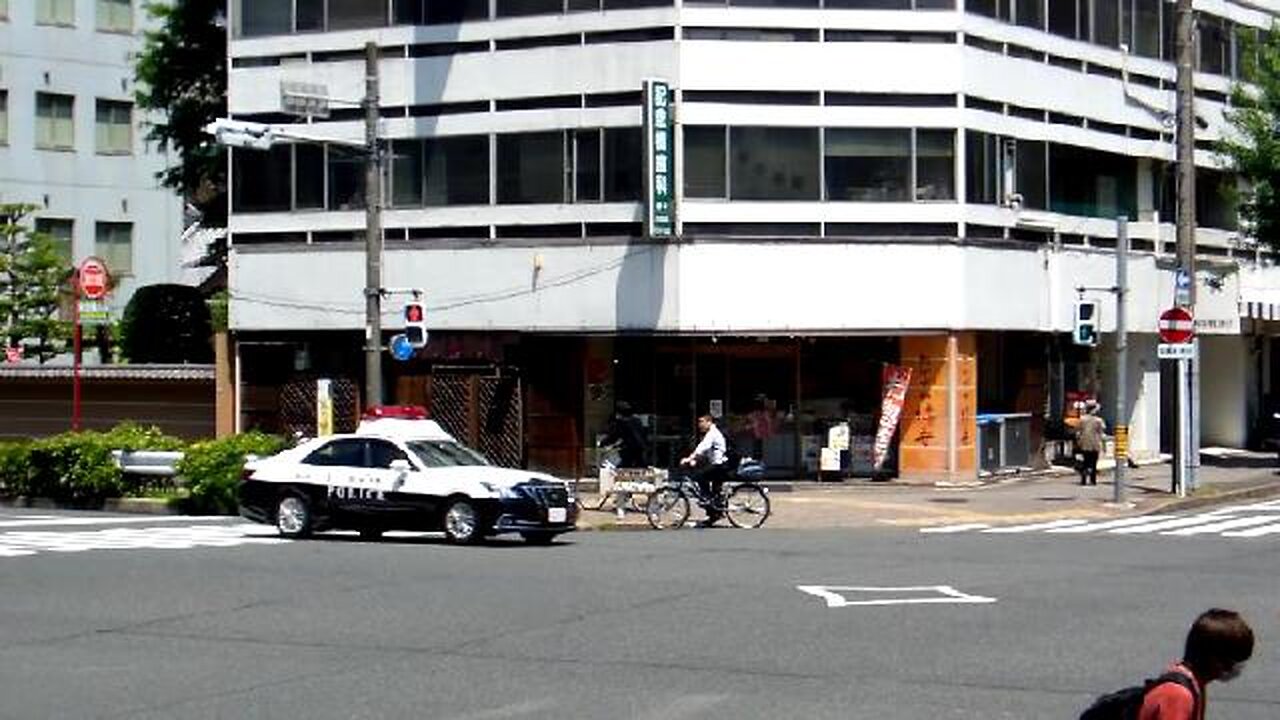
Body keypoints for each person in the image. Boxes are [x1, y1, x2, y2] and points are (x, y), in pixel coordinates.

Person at [1138, 608, 1254, 720]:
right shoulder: (1178, 696)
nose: (1236, 668)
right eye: (1235, 661)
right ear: (1216, 660)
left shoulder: (1193, 683)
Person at [681, 414, 728, 526]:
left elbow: (703, 447)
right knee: (714, 492)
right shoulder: (712, 433)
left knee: (699, 476)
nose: (699, 425)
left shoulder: (712, 433)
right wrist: (695, 460)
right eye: (698, 422)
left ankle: (710, 503)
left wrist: (690, 458)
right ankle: (714, 513)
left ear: (709, 422)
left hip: (719, 465)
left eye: (701, 422)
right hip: (718, 465)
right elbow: (706, 452)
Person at [599, 401, 646, 468]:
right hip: (640, 448)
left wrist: (603, 443)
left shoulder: (623, 423)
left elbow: (615, 436)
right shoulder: (637, 420)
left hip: (629, 450)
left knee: (624, 467)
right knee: (640, 467)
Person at [1076, 401, 1106, 486]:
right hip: (1095, 443)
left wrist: (1078, 442)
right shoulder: (1098, 420)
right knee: (1093, 462)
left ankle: (1083, 480)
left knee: (1085, 462)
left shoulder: (1082, 419)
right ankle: (1093, 480)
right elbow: (1101, 433)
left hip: (1084, 443)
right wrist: (1103, 445)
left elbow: (1078, 432)